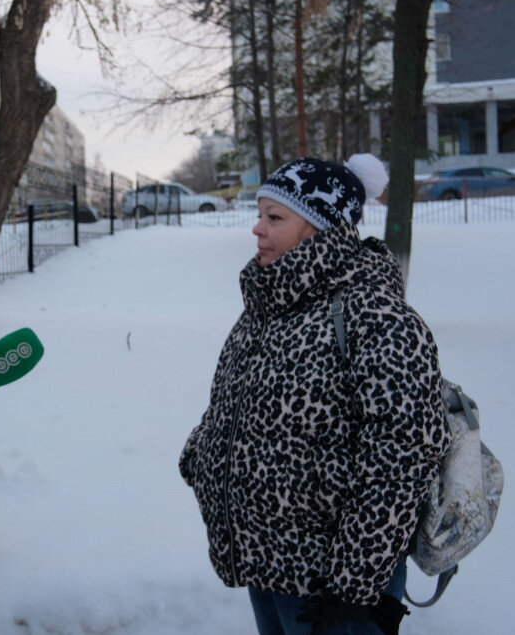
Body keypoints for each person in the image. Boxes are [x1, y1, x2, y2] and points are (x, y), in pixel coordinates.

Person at [178, 155, 450, 635]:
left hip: (334, 589)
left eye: (274, 218)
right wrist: (202, 455)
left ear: (321, 229)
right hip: (266, 563)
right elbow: (237, 401)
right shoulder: (269, 305)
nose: (257, 230)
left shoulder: (375, 315)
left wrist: (352, 587)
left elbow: (404, 456)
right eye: (260, 214)